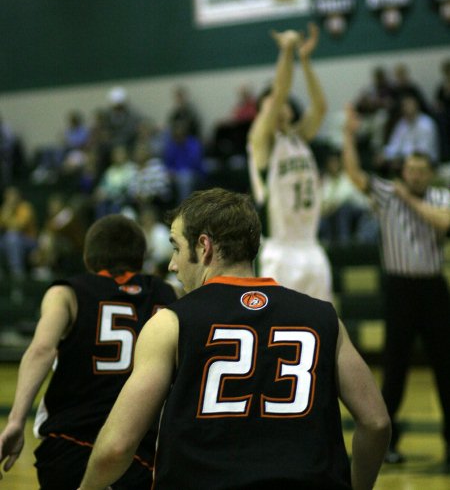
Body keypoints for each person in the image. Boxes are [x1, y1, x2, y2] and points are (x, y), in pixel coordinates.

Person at [77, 187, 390, 490]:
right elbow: (376, 423)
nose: (172, 264)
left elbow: (117, 446)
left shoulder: (170, 323)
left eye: (176, 247)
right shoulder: (324, 317)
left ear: (204, 247)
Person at [0, 213, 177, 489]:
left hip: (72, 441)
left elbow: (41, 350)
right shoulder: (169, 294)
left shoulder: (66, 293)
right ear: (141, 256)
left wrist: (16, 420)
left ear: (87, 256)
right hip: (135, 450)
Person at [343, 104, 450, 469]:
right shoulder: (388, 194)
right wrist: (348, 135)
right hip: (400, 290)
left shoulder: (438, 196)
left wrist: (411, 200)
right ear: (403, 171)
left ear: (429, 173)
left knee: (445, 369)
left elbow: (443, 223)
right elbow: (354, 174)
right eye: (412, 170)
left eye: (423, 170)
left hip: (434, 290)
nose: (417, 175)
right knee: (396, 370)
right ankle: (387, 445)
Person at [247, 23, 332, 301]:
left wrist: (305, 61)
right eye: (269, 102)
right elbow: (281, 89)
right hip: (279, 251)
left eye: (279, 102)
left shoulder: (298, 138)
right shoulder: (261, 140)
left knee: (323, 329)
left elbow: (320, 107)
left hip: (311, 245)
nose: (276, 104)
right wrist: (286, 52)